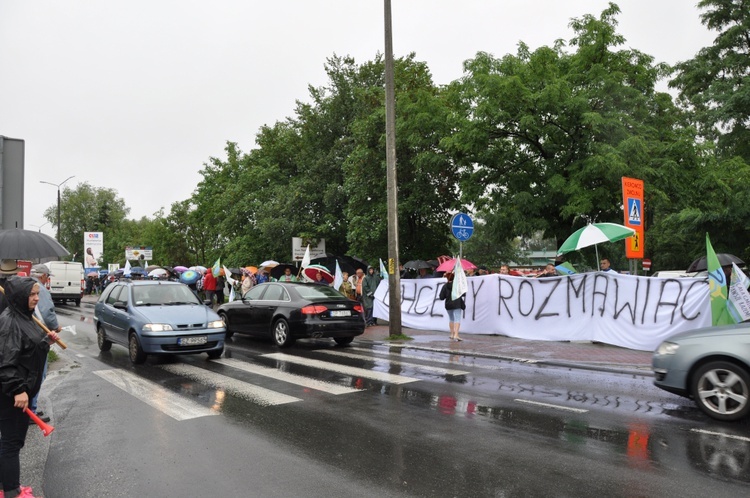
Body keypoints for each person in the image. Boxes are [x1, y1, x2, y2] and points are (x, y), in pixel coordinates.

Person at [0, 277, 60, 498]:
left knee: (12, 441)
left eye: (37, 294)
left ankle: (5, 486)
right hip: (12, 395)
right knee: (11, 443)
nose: (36, 298)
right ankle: (12, 492)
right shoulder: (10, 323)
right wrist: (18, 390)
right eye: (32, 294)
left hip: (22, 391)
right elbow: (6, 362)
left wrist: (46, 342)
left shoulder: (26, 317)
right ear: (18, 297)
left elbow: (28, 349)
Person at [28, 265, 61, 424]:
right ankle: (31, 411)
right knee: (39, 373)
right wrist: (55, 327)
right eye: (47, 277)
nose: (48, 280)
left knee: (31, 373)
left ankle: (30, 407)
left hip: (27, 335)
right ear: (43, 276)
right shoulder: (39, 289)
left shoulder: (23, 286)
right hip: (38, 336)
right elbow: (47, 313)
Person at [439, 271, 466, 342]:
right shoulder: (457, 285)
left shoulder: (445, 286)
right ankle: (456, 334)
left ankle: (451, 334)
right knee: (457, 319)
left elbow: (441, 297)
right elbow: (464, 294)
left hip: (448, 304)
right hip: (457, 303)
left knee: (451, 319)